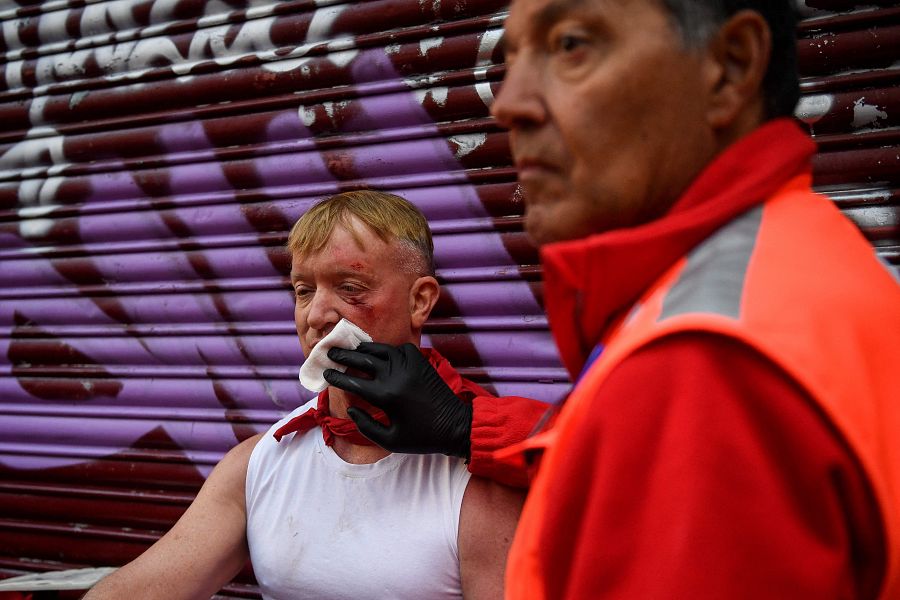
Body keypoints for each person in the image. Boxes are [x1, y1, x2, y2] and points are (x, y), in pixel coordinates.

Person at [325, 1, 900, 598]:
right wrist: (467, 426)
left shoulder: (702, 360)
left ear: (730, 67)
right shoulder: (790, 263)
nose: (509, 103)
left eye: (571, 44)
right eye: (512, 57)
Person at [84, 190, 526, 599]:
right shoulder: (263, 459)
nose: (315, 316)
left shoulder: (485, 471)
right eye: (303, 290)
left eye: (351, 288)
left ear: (419, 302)